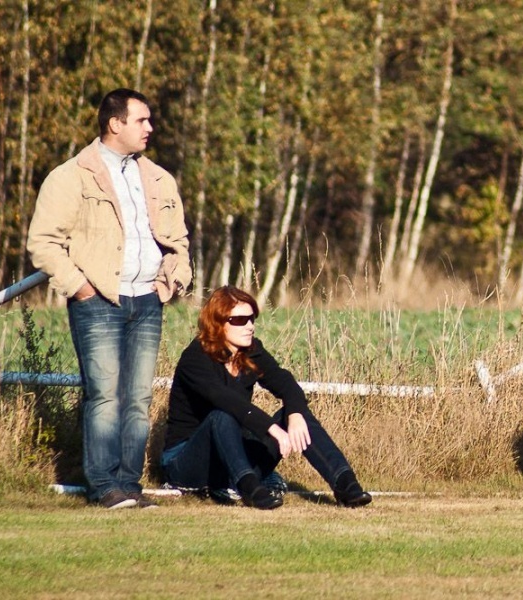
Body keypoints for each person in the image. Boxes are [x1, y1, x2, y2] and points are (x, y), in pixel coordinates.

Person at [27, 88, 191, 509]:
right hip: (98, 301)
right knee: (104, 394)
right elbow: (43, 243)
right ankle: (103, 486)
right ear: (115, 123)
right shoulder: (70, 176)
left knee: (138, 397)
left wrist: (171, 281)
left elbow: (179, 241)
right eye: (142, 120)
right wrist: (81, 287)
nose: (150, 128)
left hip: (147, 301)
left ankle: (129, 485)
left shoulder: (158, 177)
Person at [161, 286, 372, 510]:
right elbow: (227, 400)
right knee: (221, 415)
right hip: (187, 463)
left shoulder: (250, 351)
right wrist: (271, 428)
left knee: (296, 414)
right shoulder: (195, 358)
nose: (250, 326)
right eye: (240, 320)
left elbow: (284, 381)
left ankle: (346, 484)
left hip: (231, 457)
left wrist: (295, 412)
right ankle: (250, 489)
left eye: (252, 318)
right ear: (218, 323)